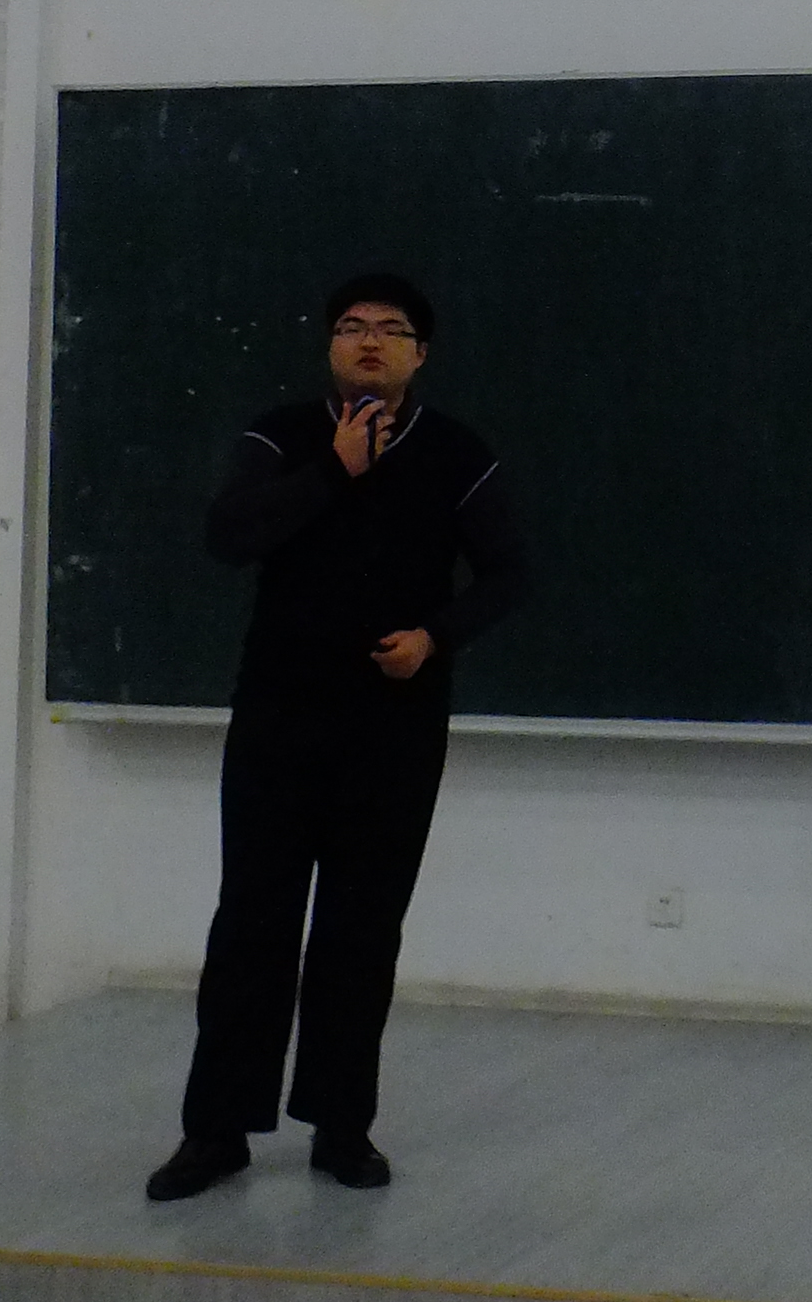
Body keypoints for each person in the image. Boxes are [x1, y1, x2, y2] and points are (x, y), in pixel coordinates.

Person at [145, 273, 530, 1202]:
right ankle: (216, 1131)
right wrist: (334, 470)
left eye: (390, 330)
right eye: (352, 327)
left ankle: (342, 1127)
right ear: (329, 347)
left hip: (394, 725)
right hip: (279, 716)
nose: (369, 342)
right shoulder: (280, 436)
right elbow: (228, 535)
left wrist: (435, 637)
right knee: (253, 923)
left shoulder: (456, 452)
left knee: (362, 927)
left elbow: (510, 573)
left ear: (419, 355)